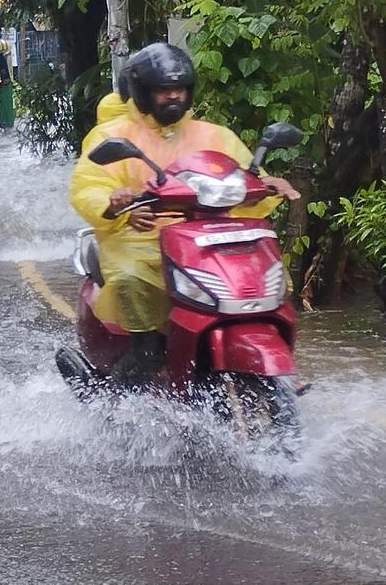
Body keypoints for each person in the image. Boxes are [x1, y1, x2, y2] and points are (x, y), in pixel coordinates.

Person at [68, 42, 299, 375]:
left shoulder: (214, 134)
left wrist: (266, 186)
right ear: (143, 92)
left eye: (179, 89)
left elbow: (242, 177)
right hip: (139, 236)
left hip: (206, 235)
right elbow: (87, 185)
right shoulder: (112, 136)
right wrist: (116, 204)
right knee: (132, 277)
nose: (173, 96)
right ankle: (144, 348)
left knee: (264, 275)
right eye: (164, 90)